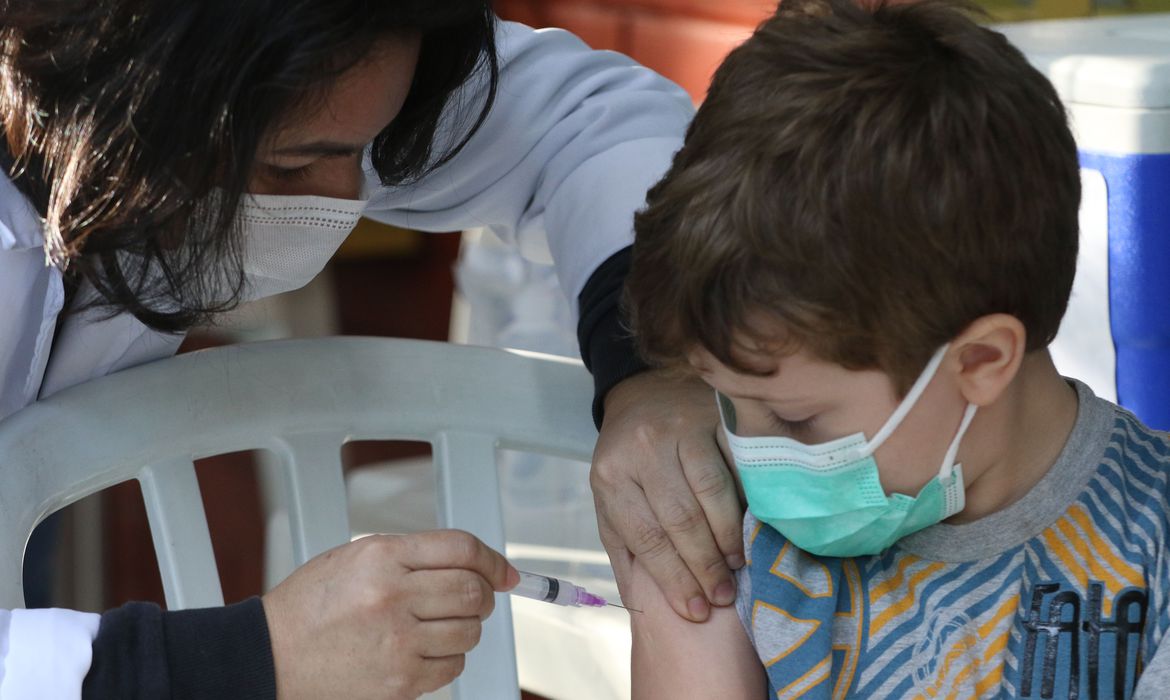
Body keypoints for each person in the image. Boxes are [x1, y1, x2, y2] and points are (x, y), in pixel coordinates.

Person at [0, 1, 746, 697]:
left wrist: (653, 364)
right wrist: (258, 654)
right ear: (131, 98)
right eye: (290, 169)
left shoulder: (326, 83)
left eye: (365, 150)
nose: (346, 201)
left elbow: (592, 124)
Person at [621, 0, 1170, 697]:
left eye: (795, 421)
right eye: (725, 402)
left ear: (981, 361)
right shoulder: (721, 540)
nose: (750, 460)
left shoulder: (1151, 549)